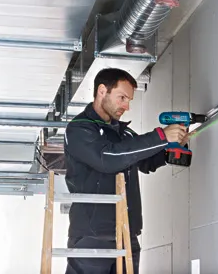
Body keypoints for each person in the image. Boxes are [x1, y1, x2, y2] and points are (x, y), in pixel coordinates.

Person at [63, 68, 188, 274]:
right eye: (122, 97)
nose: (127, 106)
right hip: (92, 237)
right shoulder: (79, 129)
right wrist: (160, 136)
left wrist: (171, 149)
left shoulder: (123, 133)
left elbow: (144, 161)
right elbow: (107, 159)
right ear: (102, 91)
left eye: (129, 100)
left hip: (126, 235)